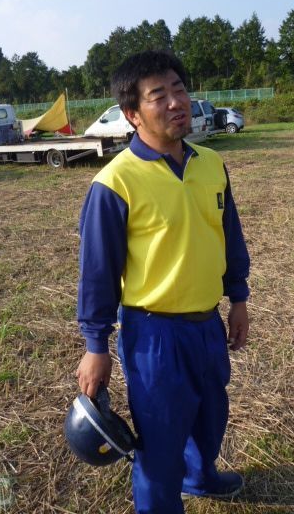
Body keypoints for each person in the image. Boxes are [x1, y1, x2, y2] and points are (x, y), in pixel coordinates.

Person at [76, 50, 250, 514]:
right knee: (160, 438)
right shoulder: (115, 183)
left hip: (207, 325)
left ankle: (200, 477)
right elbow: (98, 274)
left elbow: (229, 235)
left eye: (179, 89)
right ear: (132, 114)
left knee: (210, 415)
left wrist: (238, 298)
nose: (177, 102)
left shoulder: (211, 163)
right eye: (159, 95)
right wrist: (95, 346)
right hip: (154, 335)